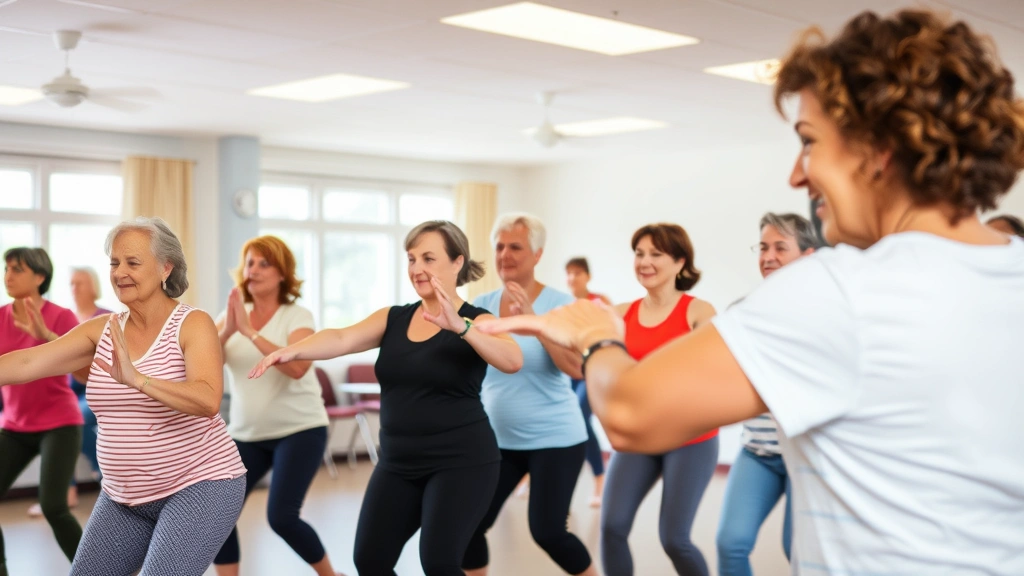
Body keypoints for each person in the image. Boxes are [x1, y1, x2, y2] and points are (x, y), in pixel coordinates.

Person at [477, 9, 1024, 574]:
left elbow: (630, 414)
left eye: (809, 142)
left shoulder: (841, 292)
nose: (797, 174)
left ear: (878, 149)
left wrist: (595, 337)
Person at [252, 221, 522, 576]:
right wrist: (290, 351)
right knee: (370, 561)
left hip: (462, 462)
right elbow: (340, 338)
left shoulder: (477, 319)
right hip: (398, 463)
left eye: (428, 258)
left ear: (457, 262)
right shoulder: (394, 318)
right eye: (411, 259)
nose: (417, 268)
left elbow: (512, 360)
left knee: (440, 563)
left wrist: (462, 328)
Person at [0, 218, 247, 576]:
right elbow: (25, 363)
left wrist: (138, 379)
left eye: (133, 263)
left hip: (201, 485)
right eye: (115, 263)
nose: (120, 273)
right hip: (122, 496)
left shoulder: (193, 324)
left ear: (166, 268)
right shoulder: (101, 330)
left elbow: (207, 399)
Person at [464, 213, 597, 576]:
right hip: (498, 442)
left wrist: (536, 323)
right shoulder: (481, 304)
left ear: (537, 255)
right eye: (500, 246)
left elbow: (575, 368)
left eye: (515, 247)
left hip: (555, 439)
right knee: (468, 528)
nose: (505, 254)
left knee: (549, 532)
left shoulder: (561, 304)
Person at [213, 236, 341, 576]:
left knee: (282, 517)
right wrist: (228, 330)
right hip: (246, 433)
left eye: (264, 263)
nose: (253, 270)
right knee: (215, 514)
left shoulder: (297, 315)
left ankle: (330, 575)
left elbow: (298, 367)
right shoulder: (229, 317)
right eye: (250, 262)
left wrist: (250, 332)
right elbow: (202, 364)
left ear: (282, 273)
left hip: (300, 429)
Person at [601, 224, 718, 576]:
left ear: (680, 261)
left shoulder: (699, 312)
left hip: (690, 439)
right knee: (612, 527)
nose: (644, 262)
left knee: (674, 539)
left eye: (656, 254)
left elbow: (713, 372)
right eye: (639, 253)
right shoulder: (620, 314)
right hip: (642, 436)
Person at [715, 213, 818, 576]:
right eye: (762, 247)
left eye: (779, 247)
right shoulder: (741, 312)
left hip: (806, 456)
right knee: (730, 543)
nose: (767, 256)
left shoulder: (823, 315)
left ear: (807, 255)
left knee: (798, 551)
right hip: (758, 451)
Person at [0, 247, 84, 575]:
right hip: (15, 426)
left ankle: (95, 570)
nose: (8, 275)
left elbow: (82, 369)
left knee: (53, 507)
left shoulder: (62, 316)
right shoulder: (1, 317)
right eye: (6, 268)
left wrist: (45, 337)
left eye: (17, 269)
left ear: (39, 277)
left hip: (59, 424)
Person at [28, 267, 111, 518]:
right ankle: (67, 492)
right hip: (68, 390)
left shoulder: (107, 317)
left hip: (97, 388)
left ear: (93, 286)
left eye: (80, 283)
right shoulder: (68, 318)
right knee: (54, 418)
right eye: (72, 283)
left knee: (75, 416)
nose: (75, 288)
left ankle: (101, 472)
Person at [565, 257, 610, 507]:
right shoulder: (563, 306)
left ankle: (599, 479)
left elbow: (612, 336)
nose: (572, 278)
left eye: (578, 273)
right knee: (563, 422)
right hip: (567, 374)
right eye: (569, 273)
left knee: (581, 418)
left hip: (590, 374)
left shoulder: (599, 303)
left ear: (588, 276)